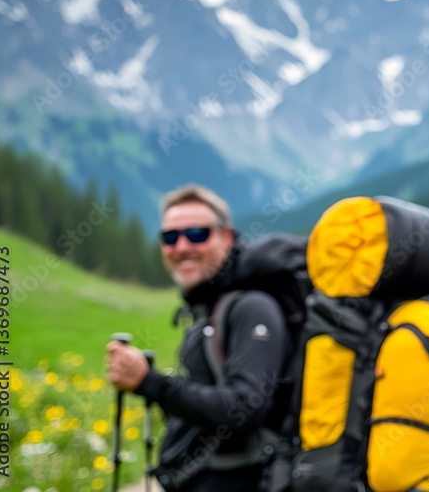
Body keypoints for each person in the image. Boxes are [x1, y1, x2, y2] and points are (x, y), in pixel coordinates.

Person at [107, 185, 291, 491]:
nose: (181, 247)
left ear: (227, 237)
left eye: (196, 234)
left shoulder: (252, 307)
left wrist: (149, 381)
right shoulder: (207, 308)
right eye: (170, 237)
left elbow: (244, 409)